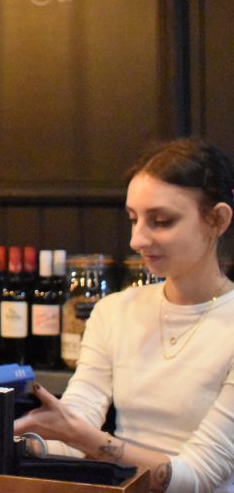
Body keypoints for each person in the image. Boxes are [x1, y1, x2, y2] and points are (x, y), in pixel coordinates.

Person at [15, 138, 234, 493]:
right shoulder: (115, 311)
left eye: (160, 221)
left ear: (217, 220)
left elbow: (200, 476)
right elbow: (76, 419)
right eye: (133, 219)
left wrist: (93, 442)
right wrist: (6, 438)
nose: (137, 239)